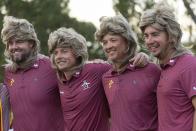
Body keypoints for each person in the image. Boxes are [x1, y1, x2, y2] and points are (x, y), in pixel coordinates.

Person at [47, 27, 149, 131]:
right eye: (55, 53)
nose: (58, 56)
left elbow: (121, 64)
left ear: (77, 53)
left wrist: (142, 56)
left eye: (64, 51)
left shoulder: (96, 69)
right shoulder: (55, 79)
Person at [95, 15, 161, 131]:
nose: (108, 46)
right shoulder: (105, 77)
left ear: (127, 41)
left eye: (113, 40)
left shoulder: (151, 70)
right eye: (104, 42)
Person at [1, 16, 64, 131]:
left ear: (31, 43)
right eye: (10, 43)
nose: (14, 47)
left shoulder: (53, 66)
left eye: (19, 41)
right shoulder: (8, 72)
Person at [139, 2, 196, 131]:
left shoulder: (189, 64)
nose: (149, 41)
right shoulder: (163, 68)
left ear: (171, 36)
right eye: (146, 36)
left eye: (155, 34)